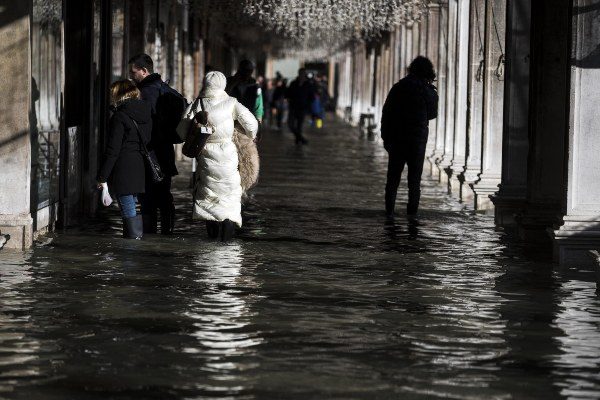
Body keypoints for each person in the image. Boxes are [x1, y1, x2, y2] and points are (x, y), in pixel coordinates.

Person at [177, 71, 258, 241]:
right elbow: (251, 124)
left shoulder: (197, 104)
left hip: (205, 154)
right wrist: (248, 136)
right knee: (229, 199)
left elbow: (181, 132)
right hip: (228, 154)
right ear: (223, 85)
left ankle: (212, 243)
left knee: (209, 199)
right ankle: (227, 244)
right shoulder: (231, 103)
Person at [381, 56, 438, 221]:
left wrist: (386, 138)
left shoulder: (398, 87)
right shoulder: (426, 90)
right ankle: (412, 216)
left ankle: (389, 214)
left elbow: (387, 113)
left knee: (392, 179)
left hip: (397, 139)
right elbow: (433, 114)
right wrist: (430, 91)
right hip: (417, 141)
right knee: (414, 181)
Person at [128, 53, 179, 235]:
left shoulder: (146, 93)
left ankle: (150, 236)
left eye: (133, 72)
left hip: (149, 152)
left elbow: (145, 125)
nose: (131, 76)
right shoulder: (163, 88)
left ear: (144, 71)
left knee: (148, 198)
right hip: (164, 151)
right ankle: (167, 235)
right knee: (164, 196)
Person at [97, 80, 152, 239]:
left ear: (120, 95)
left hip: (123, 167)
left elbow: (112, 150)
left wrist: (102, 177)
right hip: (139, 165)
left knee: (128, 209)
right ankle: (135, 244)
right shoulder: (146, 113)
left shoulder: (120, 116)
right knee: (134, 206)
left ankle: (131, 250)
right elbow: (147, 139)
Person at [286, 68, 315, 145]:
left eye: (303, 74)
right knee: (290, 124)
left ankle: (298, 141)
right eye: (300, 74)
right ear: (298, 74)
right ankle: (302, 139)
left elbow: (312, 97)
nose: (301, 75)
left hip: (302, 108)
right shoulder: (293, 83)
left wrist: (307, 105)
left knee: (299, 126)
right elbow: (288, 93)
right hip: (293, 107)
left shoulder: (308, 85)